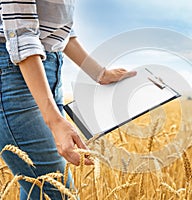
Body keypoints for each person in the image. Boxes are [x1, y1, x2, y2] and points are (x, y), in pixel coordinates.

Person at [0, 0, 136, 199]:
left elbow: (60, 29)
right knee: (58, 191)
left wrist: (100, 73)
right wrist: (54, 121)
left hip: (47, 69)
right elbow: (22, 34)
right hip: (18, 70)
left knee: (37, 188)